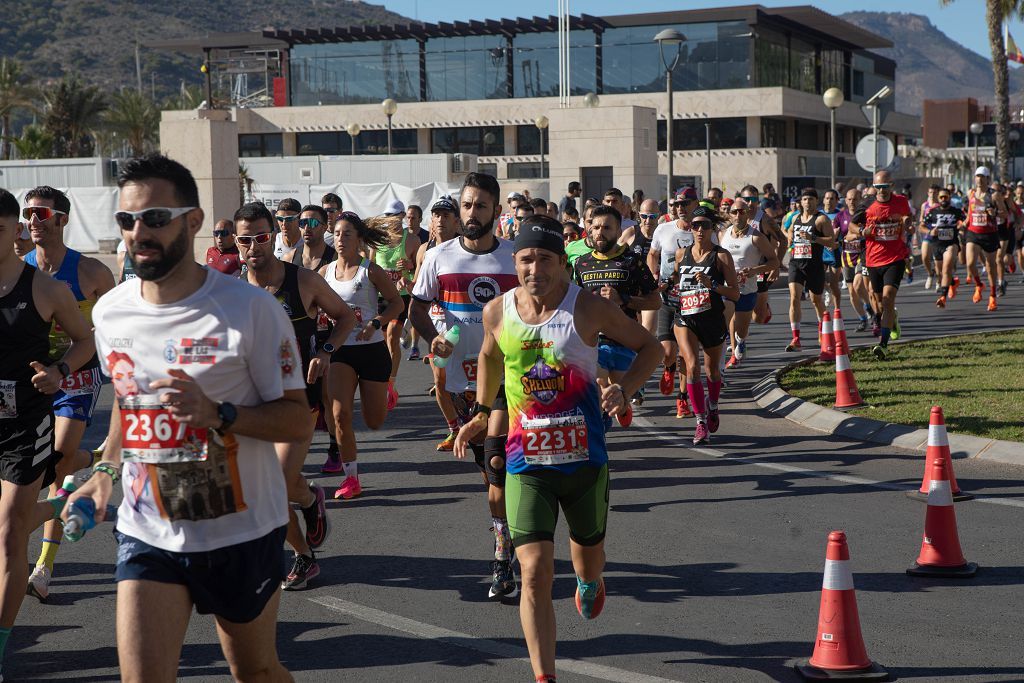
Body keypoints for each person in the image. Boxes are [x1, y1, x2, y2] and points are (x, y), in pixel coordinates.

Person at [66, 153, 309, 681]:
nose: (138, 233)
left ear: (193, 222)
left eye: (154, 218)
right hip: (147, 529)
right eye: (126, 221)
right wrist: (105, 473)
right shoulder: (110, 311)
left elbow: (296, 421)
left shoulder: (249, 310)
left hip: (240, 531)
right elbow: (128, 408)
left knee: (256, 671)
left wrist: (218, 413)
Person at [453, 216, 660, 683]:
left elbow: (651, 348)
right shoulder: (498, 312)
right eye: (526, 258)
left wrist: (625, 389)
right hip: (528, 463)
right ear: (514, 261)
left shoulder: (586, 308)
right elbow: (488, 354)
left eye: (545, 259)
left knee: (588, 559)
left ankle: (590, 581)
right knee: (534, 572)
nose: (534, 268)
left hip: (585, 462)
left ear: (562, 264)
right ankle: (543, 676)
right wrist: (484, 412)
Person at [409, 172, 521, 601]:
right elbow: (417, 308)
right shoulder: (438, 257)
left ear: (496, 211)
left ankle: (501, 558)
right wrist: (433, 339)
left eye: (481, 206)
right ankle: (507, 536)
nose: (472, 213)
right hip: (460, 380)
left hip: (510, 381)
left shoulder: (514, 258)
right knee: (490, 474)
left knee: (498, 473)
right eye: (467, 205)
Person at [236, 201, 356, 590]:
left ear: (273, 236)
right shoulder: (232, 291)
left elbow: (345, 318)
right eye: (245, 241)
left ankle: (304, 513)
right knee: (269, 487)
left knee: (274, 482)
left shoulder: (302, 280)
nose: (254, 247)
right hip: (253, 404)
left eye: (261, 237)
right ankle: (306, 537)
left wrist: (325, 352)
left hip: (298, 402)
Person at [0, 188, 95, 680]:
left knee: (11, 533)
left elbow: (89, 338)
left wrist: (59, 370)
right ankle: (67, 503)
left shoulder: (54, 285)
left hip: (33, 414)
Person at [21, 185, 116, 601]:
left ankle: (43, 567)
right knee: (40, 466)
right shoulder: (18, 268)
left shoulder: (92, 273)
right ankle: (101, 458)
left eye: (41, 214)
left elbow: (114, 326)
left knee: (57, 464)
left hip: (77, 375)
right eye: (28, 214)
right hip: (33, 378)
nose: (32, 222)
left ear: (62, 219)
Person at [320, 212, 404, 500]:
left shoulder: (371, 271)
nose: (340, 239)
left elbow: (396, 303)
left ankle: (387, 391)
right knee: (340, 414)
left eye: (347, 234)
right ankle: (351, 478)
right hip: (341, 350)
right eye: (338, 233)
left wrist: (376, 323)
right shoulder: (325, 273)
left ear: (358, 239)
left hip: (372, 349)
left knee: (374, 421)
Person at [572, 205, 660, 426]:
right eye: (596, 227)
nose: (600, 232)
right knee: (599, 390)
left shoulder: (632, 261)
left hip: (624, 341)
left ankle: (624, 404)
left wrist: (624, 299)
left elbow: (655, 301)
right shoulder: (582, 263)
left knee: (617, 397)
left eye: (607, 228)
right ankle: (599, 441)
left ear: (618, 230)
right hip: (593, 343)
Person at [671, 206, 740, 445]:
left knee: (711, 371)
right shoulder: (681, 254)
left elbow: (735, 294)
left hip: (711, 318)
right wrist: (668, 288)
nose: (700, 230)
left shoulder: (721, 256)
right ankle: (700, 422)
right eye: (696, 225)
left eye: (705, 225)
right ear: (690, 227)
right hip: (685, 317)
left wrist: (713, 285)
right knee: (691, 366)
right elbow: (677, 282)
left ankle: (713, 405)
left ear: (712, 229)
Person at [413, 196, 462, 451]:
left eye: (445, 216)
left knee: (468, 379)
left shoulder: (464, 248)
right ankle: (454, 429)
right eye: (436, 215)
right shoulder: (425, 250)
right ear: (431, 221)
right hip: (436, 325)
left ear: (456, 222)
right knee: (440, 381)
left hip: (461, 324)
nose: (440, 220)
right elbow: (419, 289)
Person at [647, 188, 700, 418]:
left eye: (685, 203)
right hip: (668, 298)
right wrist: (653, 279)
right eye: (677, 204)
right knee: (668, 352)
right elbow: (652, 255)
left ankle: (682, 400)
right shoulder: (663, 229)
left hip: (692, 301)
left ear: (695, 204)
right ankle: (668, 368)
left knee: (686, 354)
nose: (680, 208)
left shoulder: (703, 230)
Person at [850, 170, 913, 359]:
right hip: (873, 260)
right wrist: (862, 231)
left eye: (885, 187)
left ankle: (883, 345)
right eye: (878, 187)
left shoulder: (901, 201)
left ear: (891, 186)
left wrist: (907, 223)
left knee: (887, 299)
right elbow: (853, 225)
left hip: (895, 258)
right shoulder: (868, 203)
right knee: (877, 304)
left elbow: (907, 218)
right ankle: (892, 320)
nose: (882, 191)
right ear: (874, 187)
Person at [720, 198, 779, 368]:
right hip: (727, 288)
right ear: (729, 215)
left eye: (742, 211)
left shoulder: (756, 237)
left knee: (742, 328)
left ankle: (741, 340)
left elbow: (774, 261)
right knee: (727, 316)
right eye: (734, 211)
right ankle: (731, 356)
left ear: (748, 214)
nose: (738, 215)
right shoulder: (723, 234)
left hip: (748, 289)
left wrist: (754, 271)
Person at [371, 208, 421, 410]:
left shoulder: (411, 240)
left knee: (392, 336)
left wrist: (408, 266)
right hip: (381, 297)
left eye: (396, 215)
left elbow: (419, 266)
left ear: (402, 217)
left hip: (399, 298)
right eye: (388, 216)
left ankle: (390, 383)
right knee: (381, 342)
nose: (392, 219)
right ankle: (381, 378)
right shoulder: (378, 241)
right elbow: (370, 265)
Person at [784, 189, 835, 352]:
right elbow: (789, 229)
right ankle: (796, 338)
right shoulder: (796, 217)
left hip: (814, 265)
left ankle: (823, 330)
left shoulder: (821, 219)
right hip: (796, 263)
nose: (807, 202)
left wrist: (813, 238)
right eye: (805, 199)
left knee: (816, 301)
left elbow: (832, 243)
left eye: (811, 199)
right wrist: (790, 238)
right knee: (794, 297)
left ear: (816, 200)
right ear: (801, 202)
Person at [835, 188, 872, 331]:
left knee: (858, 285)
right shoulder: (840, 216)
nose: (852, 202)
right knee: (852, 292)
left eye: (855, 199)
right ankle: (863, 319)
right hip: (847, 257)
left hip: (862, 255)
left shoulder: (866, 215)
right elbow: (834, 235)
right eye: (849, 199)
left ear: (861, 200)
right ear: (845, 200)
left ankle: (870, 309)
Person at [923, 189, 965, 308]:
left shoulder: (956, 211)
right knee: (941, 273)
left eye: (945, 197)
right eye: (941, 197)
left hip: (951, 243)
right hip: (937, 245)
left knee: (946, 269)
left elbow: (967, 220)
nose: (943, 199)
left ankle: (942, 297)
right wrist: (930, 231)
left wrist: (961, 228)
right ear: (938, 198)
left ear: (949, 197)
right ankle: (952, 282)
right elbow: (921, 226)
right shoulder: (932, 212)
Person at [298, 205, 338, 272]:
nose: (306, 228)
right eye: (303, 223)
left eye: (312, 223)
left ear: (325, 227)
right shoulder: (289, 258)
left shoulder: (336, 258)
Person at [918, 184, 941, 291]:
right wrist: (922, 222)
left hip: (939, 235)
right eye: (930, 192)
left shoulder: (940, 205)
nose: (932, 195)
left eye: (934, 192)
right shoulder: (925, 205)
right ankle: (930, 274)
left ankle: (939, 281)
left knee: (937, 260)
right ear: (928, 193)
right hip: (928, 233)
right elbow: (921, 219)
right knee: (925, 256)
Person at [273, 197, 304, 264]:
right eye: (280, 219)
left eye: (289, 219)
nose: (284, 224)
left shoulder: (307, 240)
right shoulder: (274, 240)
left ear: (299, 218)